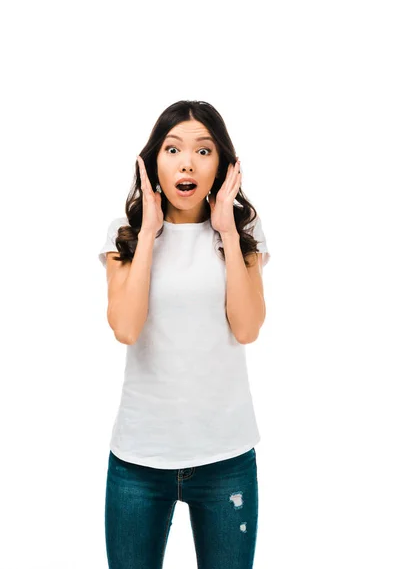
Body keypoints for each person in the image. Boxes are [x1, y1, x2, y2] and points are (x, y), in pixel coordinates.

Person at [98, 100, 271, 569]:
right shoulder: (127, 237)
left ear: (222, 165)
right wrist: (151, 232)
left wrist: (227, 235)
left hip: (226, 456)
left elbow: (248, 327)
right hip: (139, 460)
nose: (187, 162)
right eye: (173, 149)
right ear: (154, 161)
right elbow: (127, 328)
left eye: (203, 150)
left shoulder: (243, 236)